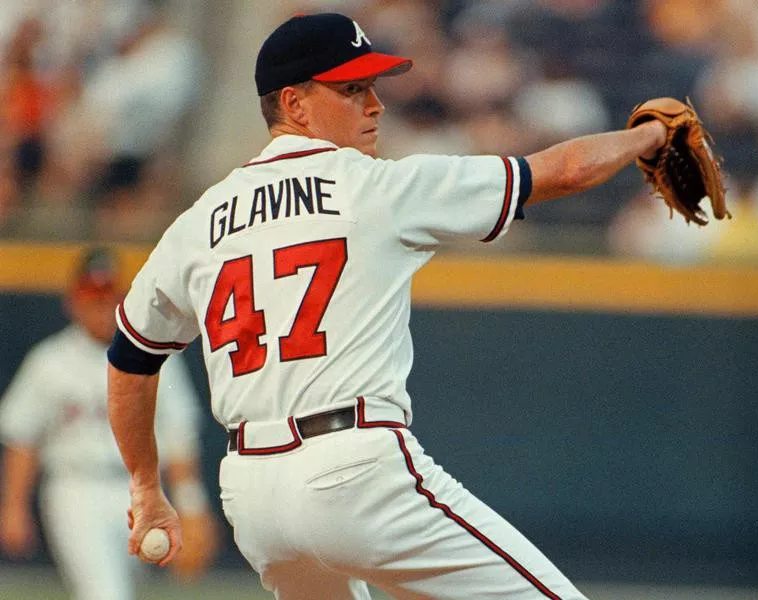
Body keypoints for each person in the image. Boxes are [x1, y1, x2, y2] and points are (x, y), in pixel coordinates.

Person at [106, 12, 667, 600]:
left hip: (253, 495)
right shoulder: (375, 186)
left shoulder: (200, 221)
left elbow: (130, 357)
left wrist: (146, 485)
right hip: (357, 474)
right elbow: (565, 170)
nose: (375, 105)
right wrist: (650, 136)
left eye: (373, 87)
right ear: (294, 104)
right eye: (352, 90)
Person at [0, 247, 219, 600]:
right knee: (105, 593)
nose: (101, 307)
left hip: (138, 494)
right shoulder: (50, 361)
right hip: (75, 490)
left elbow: (179, 438)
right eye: (92, 298)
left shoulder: (154, 357)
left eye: (107, 297)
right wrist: (13, 506)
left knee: (120, 591)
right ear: (74, 302)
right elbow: (22, 438)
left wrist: (192, 506)